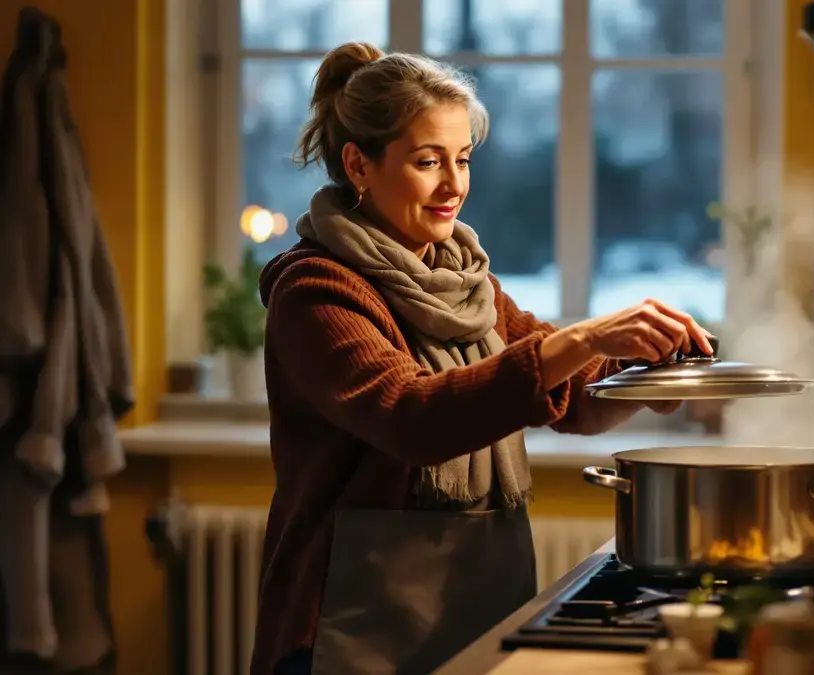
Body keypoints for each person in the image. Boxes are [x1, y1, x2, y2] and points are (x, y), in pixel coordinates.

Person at [250, 42, 713, 675]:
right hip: (345, 634)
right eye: (428, 161)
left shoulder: (466, 281)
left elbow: (572, 395)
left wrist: (653, 373)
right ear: (358, 165)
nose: (454, 185)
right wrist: (583, 339)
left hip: (469, 608)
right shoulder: (316, 291)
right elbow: (410, 416)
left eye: (463, 159)